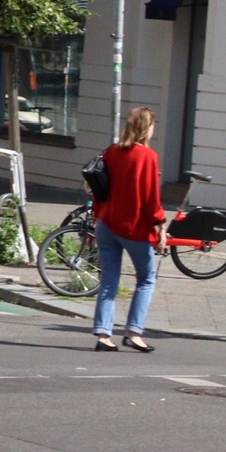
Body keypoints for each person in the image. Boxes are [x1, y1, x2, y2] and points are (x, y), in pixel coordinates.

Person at [91, 104, 166, 353]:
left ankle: (103, 335)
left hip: (107, 223)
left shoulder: (112, 151)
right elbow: (150, 198)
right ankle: (133, 332)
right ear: (146, 128)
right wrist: (160, 225)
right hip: (133, 227)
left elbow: (98, 186)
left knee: (109, 281)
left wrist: (97, 215)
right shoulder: (147, 156)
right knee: (146, 279)